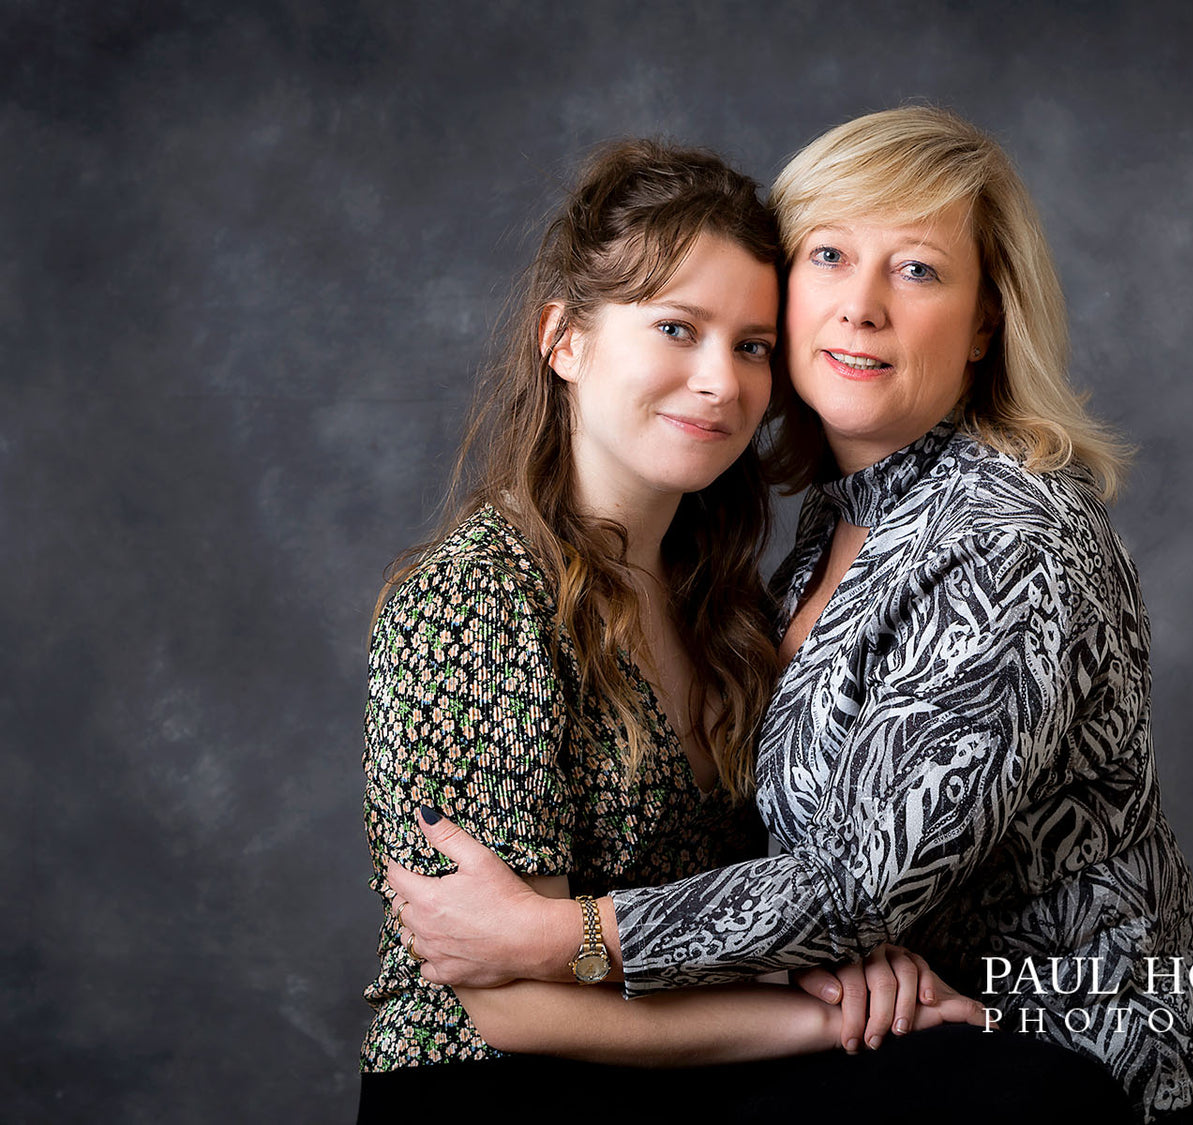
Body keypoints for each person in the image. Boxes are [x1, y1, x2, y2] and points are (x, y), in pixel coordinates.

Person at [389, 108, 1193, 1123]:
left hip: (1098, 1080)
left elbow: (860, 884)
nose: (860, 307)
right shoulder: (829, 524)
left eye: (918, 271)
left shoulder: (1009, 535)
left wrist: (558, 938)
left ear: (986, 321)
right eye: (829, 256)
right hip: (918, 1062)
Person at [358, 139, 984, 1121]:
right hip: (497, 1092)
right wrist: (820, 1017)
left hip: (688, 1076)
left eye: (750, 346)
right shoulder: (474, 604)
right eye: (677, 329)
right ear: (563, 340)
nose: (721, 384)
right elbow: (509, 1005)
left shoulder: (724, 600)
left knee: (1017, 1086)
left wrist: (846, 971)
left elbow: (749, 905)